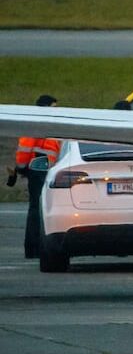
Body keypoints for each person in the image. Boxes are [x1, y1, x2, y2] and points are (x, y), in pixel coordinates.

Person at [14, 94, 60, 258]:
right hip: (38, 169)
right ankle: (34, 247)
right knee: (37, 208)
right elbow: (25, 148)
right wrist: (22, 167)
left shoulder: (45, 123)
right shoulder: (36, 123)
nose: (57, 110)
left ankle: (36, 247)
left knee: (39, 208)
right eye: (54, 107)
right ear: (45, 107)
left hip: (43, 169)